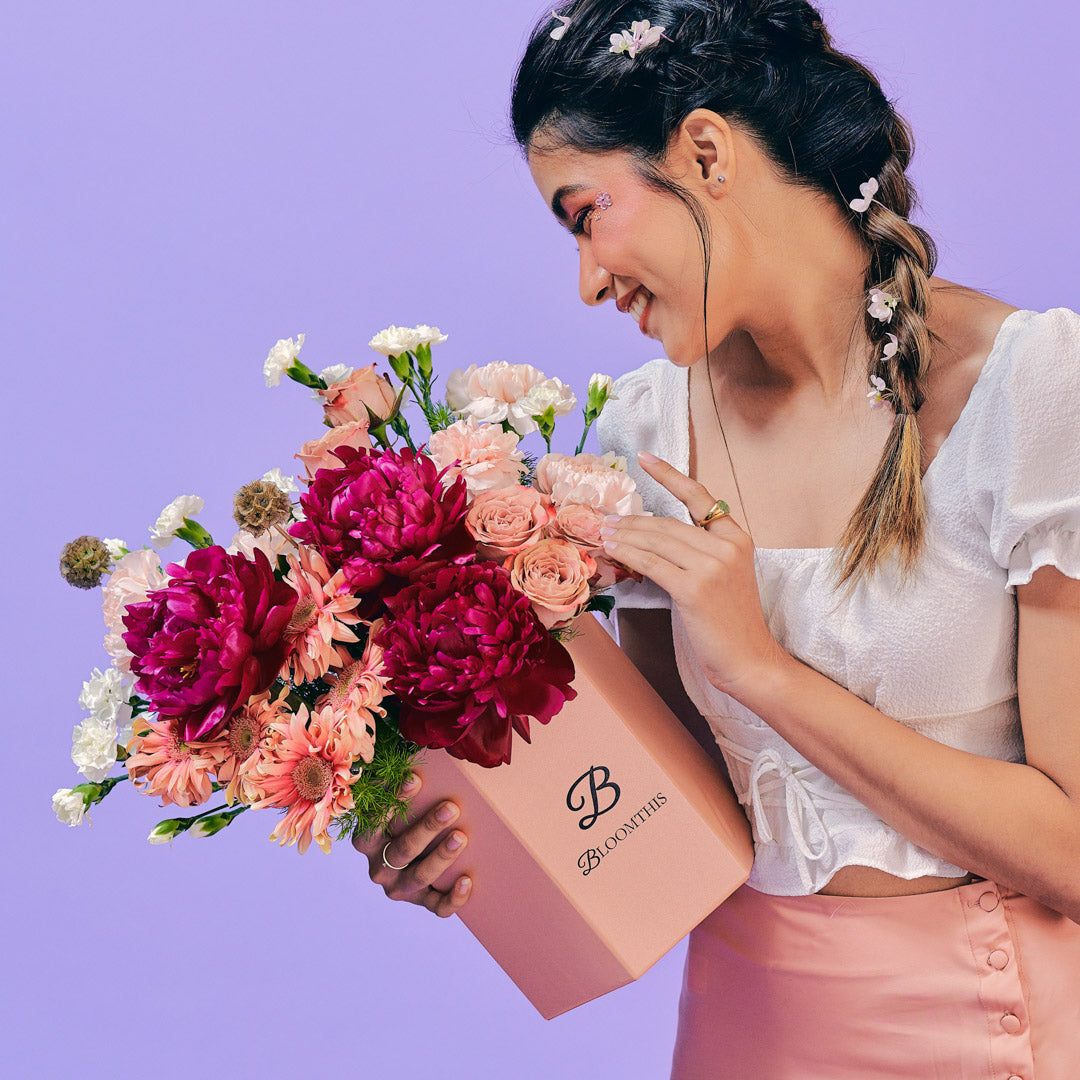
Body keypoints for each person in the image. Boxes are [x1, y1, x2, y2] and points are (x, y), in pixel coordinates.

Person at [354, 1, 1080, 1074]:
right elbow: (674, 807)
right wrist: (468, 843)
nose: (589, 279)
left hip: (993, 1021)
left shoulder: (1033, 390)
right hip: (748, 1024)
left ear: (702, 151)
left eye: (585, 212)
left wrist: (761, 670)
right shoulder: (647, 434)